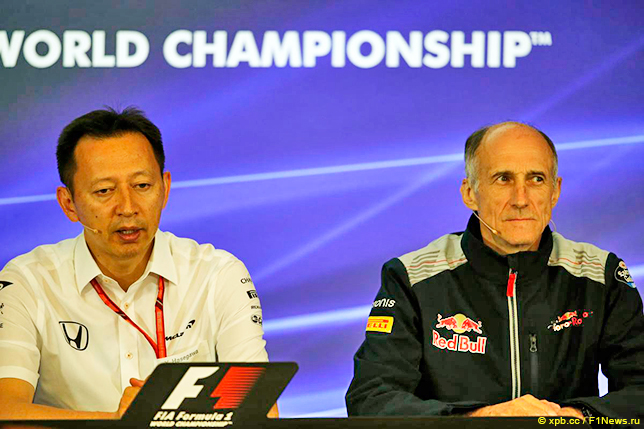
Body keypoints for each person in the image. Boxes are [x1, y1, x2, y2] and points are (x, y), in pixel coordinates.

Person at [346, 122, 644, 419]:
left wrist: (576, 417)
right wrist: (482, 420)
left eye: (536, 179)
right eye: (503, 179)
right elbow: (371, 398)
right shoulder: (411, 278)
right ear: (470, 193)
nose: (521, 199)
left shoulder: (600, 275)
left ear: (555, 191)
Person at [0, 108, 272, 419]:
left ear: (165, 188)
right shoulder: (28, 282)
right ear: (69, 203)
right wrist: (121, 424)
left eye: (142, 186)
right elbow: (6, 412)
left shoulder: (217, 275)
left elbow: (260, 413)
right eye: (104, 191)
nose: (127, 208)